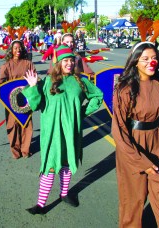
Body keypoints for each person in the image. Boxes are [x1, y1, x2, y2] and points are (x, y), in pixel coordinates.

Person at [22, 45, 103, 215]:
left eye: (71, 60)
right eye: (65, 60)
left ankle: (64, 194)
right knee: (50, 165)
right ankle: (41, 204)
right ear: (58, 62)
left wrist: (81, 113)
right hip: (51, 132)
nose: (69, 63)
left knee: (66, 163)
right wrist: (33, 86)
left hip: (71, 131)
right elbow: (35, 104)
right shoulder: (47, 81)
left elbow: (98, 96)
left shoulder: (80, 81)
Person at [111, 41, 159, 227]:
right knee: (133, 202)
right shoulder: (125, 89)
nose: (151, 62)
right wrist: (140, 161)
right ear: (135, 62)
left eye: (154, 58)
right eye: (145, 59)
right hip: (134, 146)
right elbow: (118, 130)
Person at [0, 40, 36, 159]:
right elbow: (0, 84)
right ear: (11, 50)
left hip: (26, 100)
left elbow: (34, 78)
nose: (18, 50)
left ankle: (25, 150)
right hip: (11, 102)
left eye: (20, 48)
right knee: (12, 126)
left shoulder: (28, 63)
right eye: (15, 48)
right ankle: (16, 151)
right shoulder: (6, 66)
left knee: (26, 125)